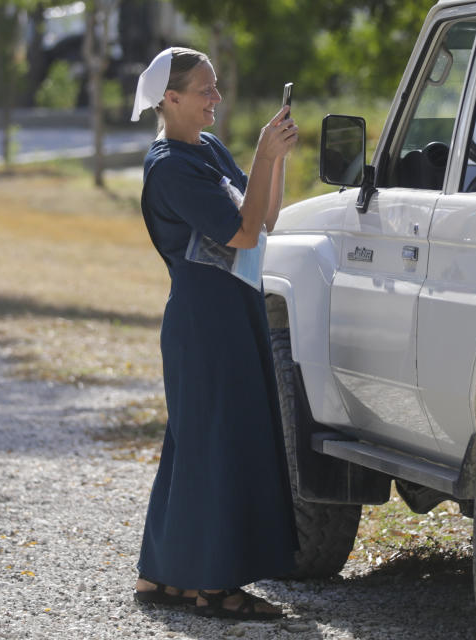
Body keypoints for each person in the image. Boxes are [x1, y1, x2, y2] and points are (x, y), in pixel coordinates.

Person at [129, 47, 300, 621]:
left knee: (194, 446)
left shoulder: (205, 150)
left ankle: (164, 576)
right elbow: (243, 234)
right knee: (221, 444)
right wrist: (260, 153)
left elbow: (267, 216)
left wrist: (274, 162)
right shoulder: (170, 166)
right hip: (205, 319)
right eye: (204, 90)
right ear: (170, 99)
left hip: (230, 309)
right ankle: (215, 588)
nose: (216, 99)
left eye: (216, 87)